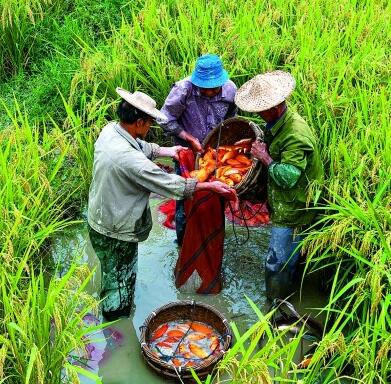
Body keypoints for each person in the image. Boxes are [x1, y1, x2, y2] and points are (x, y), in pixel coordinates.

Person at [87, 87, 235, 320]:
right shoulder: (130, 161)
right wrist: (209, 186)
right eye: (148, 123)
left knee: (112, 274)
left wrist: (170, 150)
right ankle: (117, 325)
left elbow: (141, 147)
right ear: (138, 122)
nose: (150, 128)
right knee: (119, 283)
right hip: (115, 229)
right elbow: (169, 185)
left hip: (99, 217)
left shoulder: (111, 132)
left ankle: (114, 309)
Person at [234, 70, 324, 299]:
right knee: (292, 254)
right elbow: (275, 145)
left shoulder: (295, 134)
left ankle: (275, 305)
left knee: (278, 261)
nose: (258, 114)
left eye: (260, 111)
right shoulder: (278, 121)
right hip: (285, 200)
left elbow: (289, 176)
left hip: (294, 206)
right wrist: (258, 143)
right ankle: (290, 287)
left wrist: (265, 158)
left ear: (274, 107)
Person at [158, 54, 237, 245]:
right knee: (185, 197)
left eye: (214, 88)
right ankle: (184, 243)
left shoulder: (230, 89)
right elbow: (163, 118)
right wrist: (188, 137)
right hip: (186, 153)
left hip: (215, 153)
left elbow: (231, 120)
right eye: (205, 88)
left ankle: (213, 238)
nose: (210, 92)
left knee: (217, 195)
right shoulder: (183, 89)